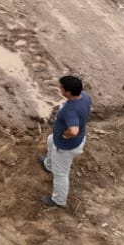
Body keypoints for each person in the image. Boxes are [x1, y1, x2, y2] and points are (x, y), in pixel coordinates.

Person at [40, 75, 92, 208]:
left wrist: (65, 136)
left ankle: (58, 200)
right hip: (75, 139)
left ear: (68, 92)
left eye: (61, 87)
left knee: (60, 174)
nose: (60, 88)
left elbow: (73, 131)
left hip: (66, 147)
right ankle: (48, 165)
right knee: (51, 140)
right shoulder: (85, 97)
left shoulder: (71, 110)